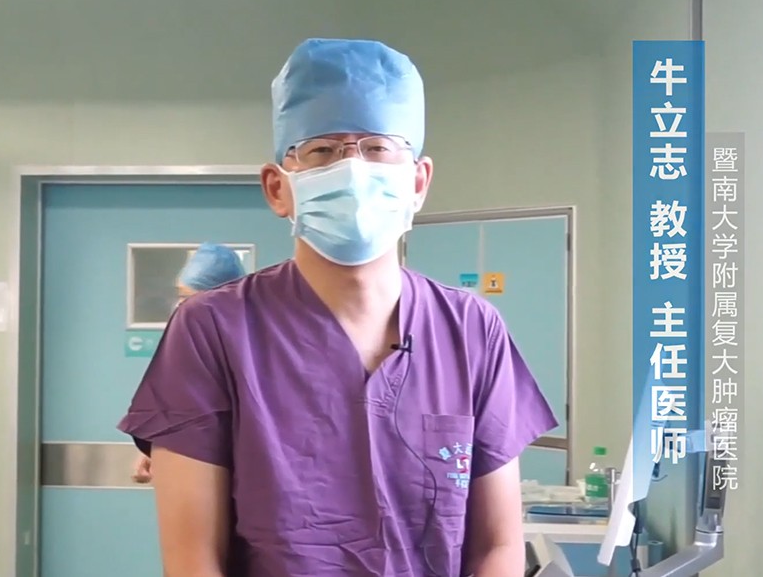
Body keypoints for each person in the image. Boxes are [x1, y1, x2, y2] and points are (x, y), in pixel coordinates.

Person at [118, 38, 558, 577]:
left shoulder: (470, 330)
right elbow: (194, 560)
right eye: (322, 150)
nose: (353, 169)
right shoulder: (213, 330)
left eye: (378, 148)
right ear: (277, 188)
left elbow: (497, 547)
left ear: (418, 182)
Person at [131, 242, 247, 484]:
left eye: (188, 297)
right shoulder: (193, 348)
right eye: (180, 296)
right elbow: (178, 411)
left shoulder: (247, 350)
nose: (180, 306)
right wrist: (156, 447)